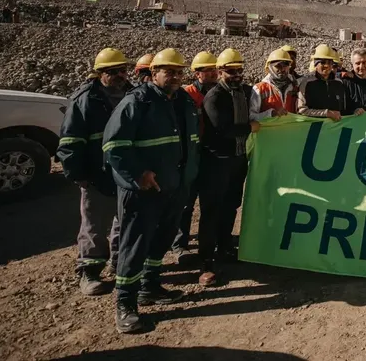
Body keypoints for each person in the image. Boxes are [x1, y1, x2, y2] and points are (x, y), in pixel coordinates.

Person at [104, 48, 200, 334]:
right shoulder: (138, 101)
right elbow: (113, 146)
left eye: (179, 71)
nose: (175, 76)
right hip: (143, 192)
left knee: (162, 239)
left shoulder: (182, 100)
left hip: (175, 187)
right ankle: (126, 303)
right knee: (134, 245)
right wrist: (137, 175)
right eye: (168, 71)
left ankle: (150, 286)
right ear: (153, 73)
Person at [57, 47, 130, 295]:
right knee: (95, 225)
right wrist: (79, 175)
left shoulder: (131, 95)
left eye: (123, 70)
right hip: (97, 175)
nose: (121, 75)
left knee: (124, 222)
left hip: (125, 173)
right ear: (100, 73)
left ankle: (119, 265)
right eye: (114, 71)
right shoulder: (85, 99)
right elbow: (70, 142)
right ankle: (89, 272)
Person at [196, 48, 257, 287]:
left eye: (239, 70)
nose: (237, 75)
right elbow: (221, 129)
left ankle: (224, 248)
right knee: (211, 211)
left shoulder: (243, 93)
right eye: (231, 71)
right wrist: (249, 128)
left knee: (231, 205)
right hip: (216, 162)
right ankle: (206, 263)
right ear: (220, 71)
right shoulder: (214, 97)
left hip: (237, 159)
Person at [171, 51, 219, 259]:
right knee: (185, 202)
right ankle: (179, 244)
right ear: (197, 73)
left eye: (214, 69)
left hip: (211, 155)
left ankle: (207, 242)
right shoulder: (185, 95)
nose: (212, 73)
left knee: (210, 202)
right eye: (207, 70)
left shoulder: (220, 93)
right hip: (190, 155)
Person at [299, 45, 363, 119]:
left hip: (335, 129)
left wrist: (355, 110)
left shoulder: (339, 83)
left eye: (329, 62)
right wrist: (326, 113)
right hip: (314, 129)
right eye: (323, 62)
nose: (326, 66)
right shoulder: (306, 84)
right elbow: (302, 111)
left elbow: (344, 109)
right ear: (316, 64)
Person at [251, 49, 298, 121]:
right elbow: (252, 117)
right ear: (269, 67)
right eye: (278, 66)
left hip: (291, 130)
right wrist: (271, 114)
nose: (282, 69)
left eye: (286, 65)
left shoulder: (295, 86)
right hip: (270, 131)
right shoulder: (259, 89)